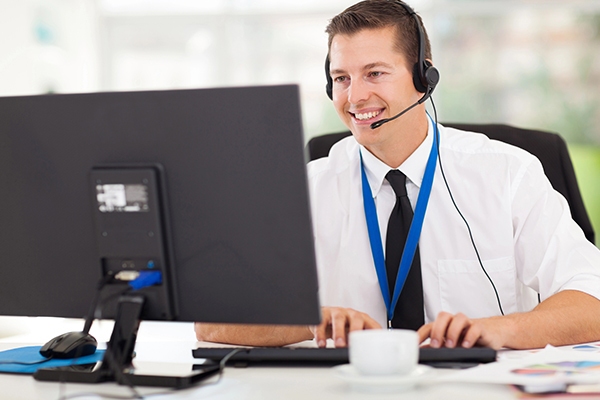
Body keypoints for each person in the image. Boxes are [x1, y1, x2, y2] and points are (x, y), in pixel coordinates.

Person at [196, 0, 600, 350]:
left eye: (375, 73)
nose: (355, 97)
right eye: (341, 78)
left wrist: (498, 329)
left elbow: (592, 301)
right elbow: (211, 322)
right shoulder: (305, 190)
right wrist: (311, 322)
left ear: (424, 79)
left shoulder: (508, 173)